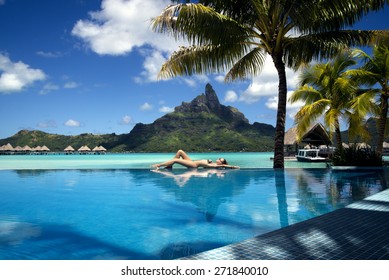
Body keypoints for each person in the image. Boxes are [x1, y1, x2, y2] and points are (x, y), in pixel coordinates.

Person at [151, 149, 239, 170]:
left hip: (193, 165)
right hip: (192, 162)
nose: (219, 159)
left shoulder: (216, 166)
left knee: (176, 160)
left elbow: (225, 166)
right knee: (180, 151)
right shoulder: (213, 162)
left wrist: (233, 167)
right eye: (219, 158)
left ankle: (159, 165)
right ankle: (169, 167)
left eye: (220, 159)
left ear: (221, 163)